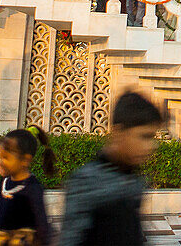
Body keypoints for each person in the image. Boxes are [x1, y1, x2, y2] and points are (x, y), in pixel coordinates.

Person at [60, 92, 163, 246]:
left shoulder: (136, 180)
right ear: (119, 132)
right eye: (144, 136)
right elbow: (70, 240)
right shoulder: (87, 180)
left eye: (152, 137)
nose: (151, 146)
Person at [0, 127, 54, 246]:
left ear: (25, 160)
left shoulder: (32, 188)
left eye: (5, 157)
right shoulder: (4, 182)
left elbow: (42, 227)